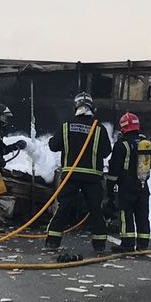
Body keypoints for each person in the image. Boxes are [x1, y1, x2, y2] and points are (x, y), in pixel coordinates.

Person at [45, 92, 111, 254]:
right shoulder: (99, 128)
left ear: (76, 107)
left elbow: (54, 146)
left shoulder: (66, 125)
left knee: (64, 207)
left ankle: (53, 241)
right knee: (95, 209)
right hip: (92, 177)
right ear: (91, 107)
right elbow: (106, 151)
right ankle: (99, 245)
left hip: (71, 175)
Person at [107, 112, 151, 252]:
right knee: (142, 215)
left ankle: (127, 244)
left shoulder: (122, 145)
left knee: (126, 214)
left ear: (123, 127)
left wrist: (110, 189)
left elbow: (114, 169)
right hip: (143, 185)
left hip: (127, 188)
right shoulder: (146, 144)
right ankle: (143, 244)